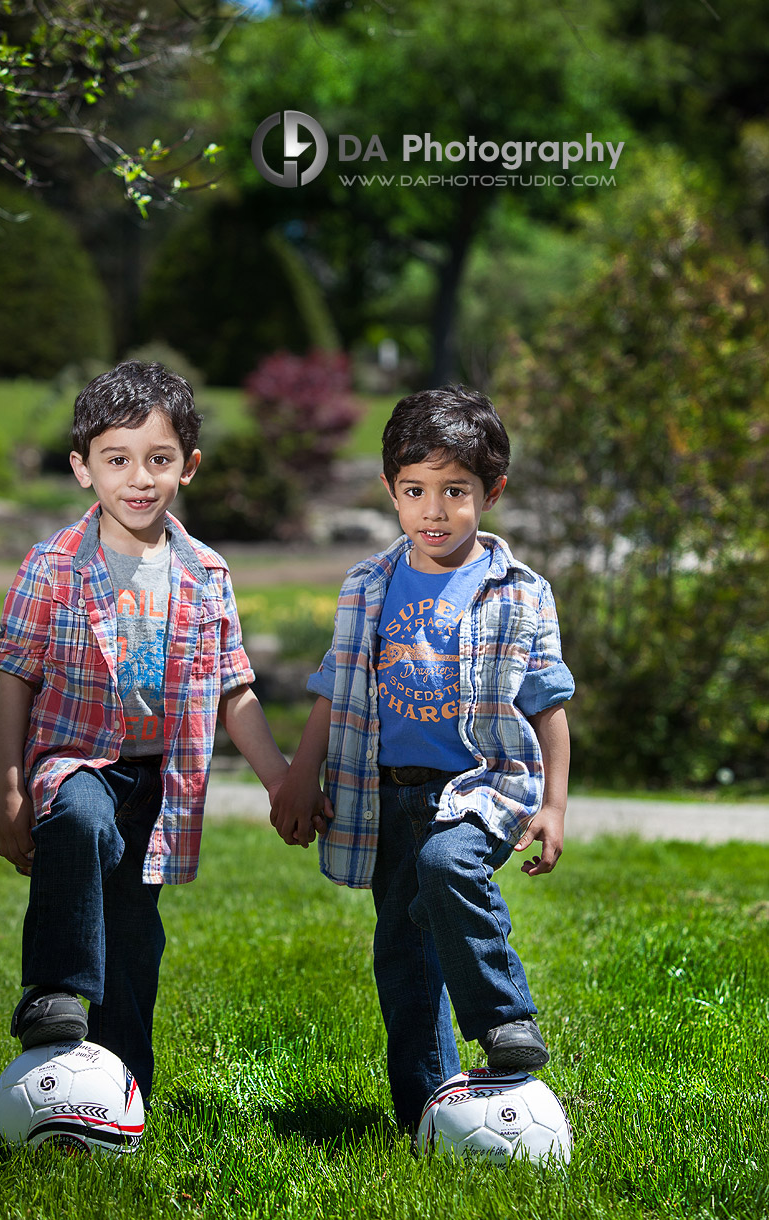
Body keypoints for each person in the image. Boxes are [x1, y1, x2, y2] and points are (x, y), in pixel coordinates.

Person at [270, 386, 574, 1134]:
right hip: (388, 795)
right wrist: (300, 776)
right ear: (389, 492)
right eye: (415, 491)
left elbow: (547, 704)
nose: (433, 511)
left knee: (448, 867)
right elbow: (333, 688)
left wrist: (554, 804)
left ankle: (504, 1020)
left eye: (454, 492)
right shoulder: (368, 587)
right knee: (403, 963)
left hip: (481, 786)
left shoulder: (518, 594)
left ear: (490, 493)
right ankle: (427, 1117)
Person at [0, 360, 289, 1105]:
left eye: (158, 460)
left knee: (133, 937)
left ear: (188, 467)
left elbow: (232, 687)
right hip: (74, 761)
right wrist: (8, 791)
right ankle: (54, 993)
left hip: (160, 782)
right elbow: (12, 676)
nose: (138, 478)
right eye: (116, 459)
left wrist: (283, 782)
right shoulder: (53, 565)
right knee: (83, 821)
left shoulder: (206, 573)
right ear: (82, 469)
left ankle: (119, 1091)